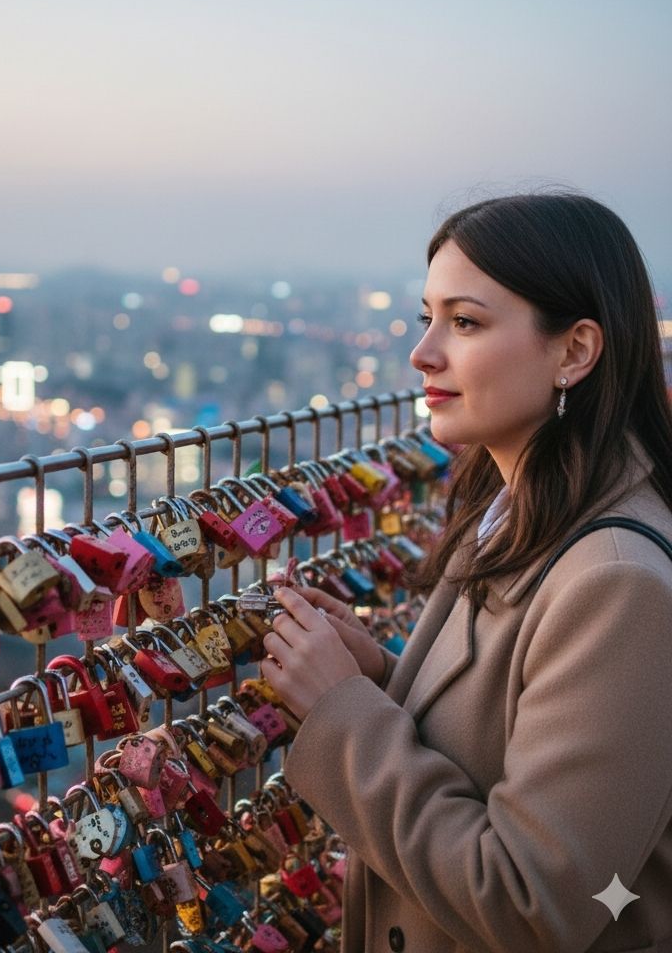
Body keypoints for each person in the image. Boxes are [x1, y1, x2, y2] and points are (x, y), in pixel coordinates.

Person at [262, 192, 672, 952]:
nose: (422, 354)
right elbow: (514, 743)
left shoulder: (618, 584)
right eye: (427, 317)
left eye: (465, 322)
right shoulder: (516, 513)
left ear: (575, 352)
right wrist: (380, 679)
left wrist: (341, 713)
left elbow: (535, 903)